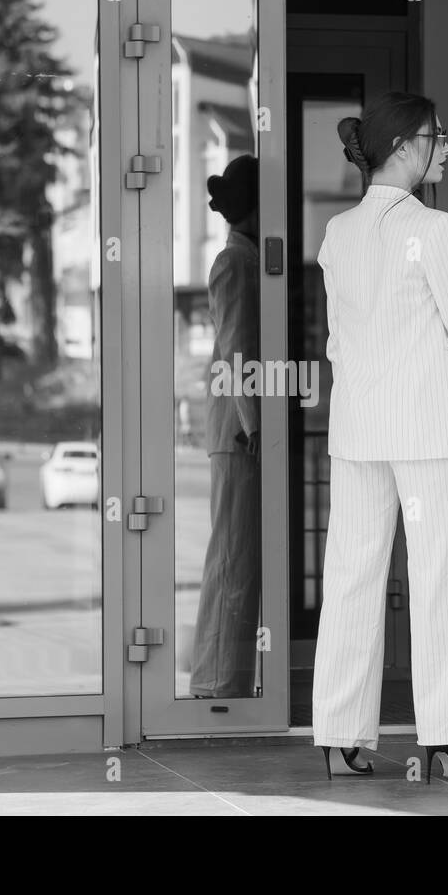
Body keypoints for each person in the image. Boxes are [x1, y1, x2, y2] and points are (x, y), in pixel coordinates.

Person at [312, 92, 448, 782]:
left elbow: (338, 343)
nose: (447, 148)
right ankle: (443, 736)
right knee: (438, 580)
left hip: (357, 428)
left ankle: (340, 737)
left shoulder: (336, 233)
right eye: (439, 137)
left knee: (351, 578)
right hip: (428, 429)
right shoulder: (436, 228)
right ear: (406, 144)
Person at [188, 154, 263, 698]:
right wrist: (254, 424)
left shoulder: (248, 258)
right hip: (238, 432)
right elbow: (237, 350)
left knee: (238, 558)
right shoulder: (234, 263)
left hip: (240, 427)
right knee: (232, 559)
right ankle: (216, 683)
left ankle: (226, 680)